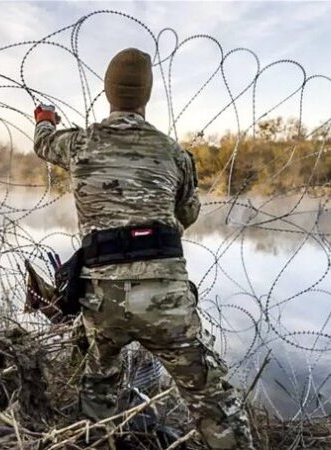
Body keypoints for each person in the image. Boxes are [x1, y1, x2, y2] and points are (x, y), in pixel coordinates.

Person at [33, 48, 254, 450]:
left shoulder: (79, 144)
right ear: (146, 96)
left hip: (103, 299)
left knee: (98, 390)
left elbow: (44, 142)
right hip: (165, 300)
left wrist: (44, 118)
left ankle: (97, 439)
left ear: (108, 93)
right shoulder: (174, 153)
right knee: (209, 398)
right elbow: (187, 214)